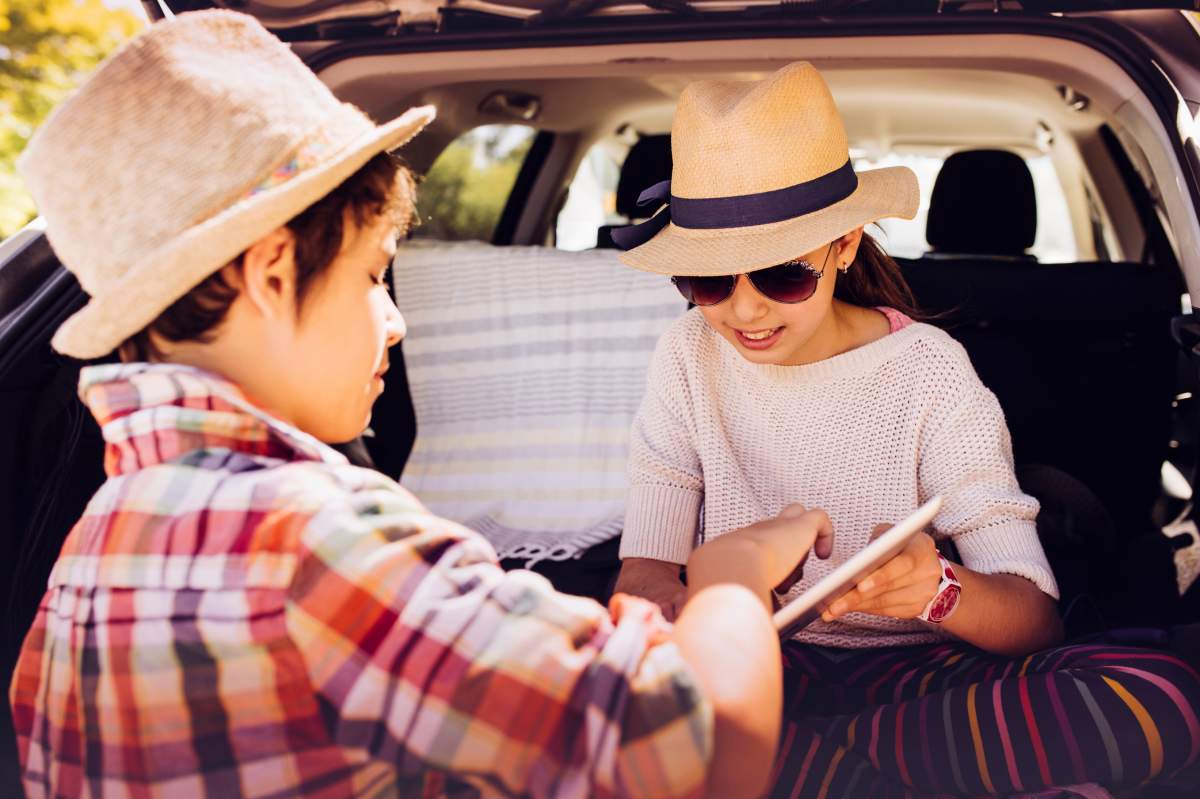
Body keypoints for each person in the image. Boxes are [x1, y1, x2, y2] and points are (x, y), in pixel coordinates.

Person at [8, 12, 837, 798]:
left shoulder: (93, 543)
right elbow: (703, 751)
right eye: (375, 275)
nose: (397, 319)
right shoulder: (317, 537)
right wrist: (734, 573)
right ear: (269, 275)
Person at [611, 62, 1200, 797]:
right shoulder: (687, 354)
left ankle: (807, 761)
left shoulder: (930, 372)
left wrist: (939, 588)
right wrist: (723, 603)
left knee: (1161, 694)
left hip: (919, 677)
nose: (745, 311)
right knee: (625, 703)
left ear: (845, 245)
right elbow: (642, 578)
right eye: (709, 280)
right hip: (753, 661)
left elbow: (1035, 617)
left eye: (781, 274)